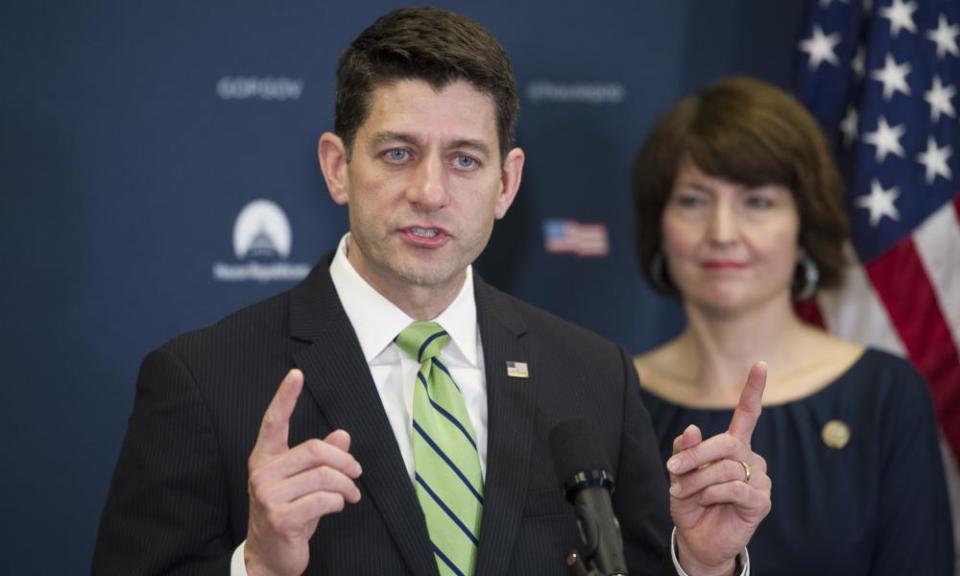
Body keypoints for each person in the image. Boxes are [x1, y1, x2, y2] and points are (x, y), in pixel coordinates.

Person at [93, 10, 771, 576]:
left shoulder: (594, 376)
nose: (430, 191)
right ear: (337, 167)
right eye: (397, 153)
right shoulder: (204, 380)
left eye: (464, 159)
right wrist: (257, 566)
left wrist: (702, 563)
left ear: (506, 184)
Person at [632, 76, 954, 575]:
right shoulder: (610, 395)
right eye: (693, 200)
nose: (722, 233)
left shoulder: (884, 396)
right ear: (660, 224)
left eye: (757, 202)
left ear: (804, 225)